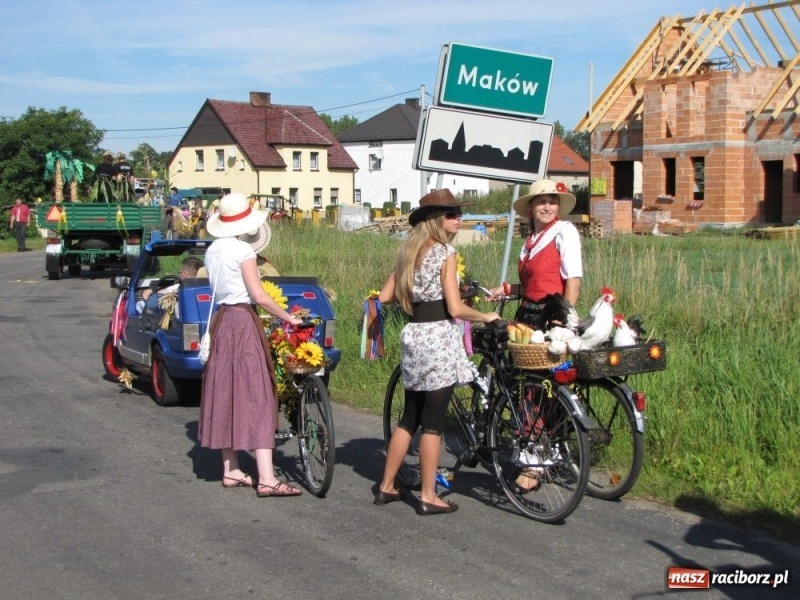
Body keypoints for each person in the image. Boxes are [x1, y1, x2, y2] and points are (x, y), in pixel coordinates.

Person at [374, 189, 501, 515]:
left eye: (458, 211)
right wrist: (486, 315)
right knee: (433, 422)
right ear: (435, 220)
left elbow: (385, 296)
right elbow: (456, 308)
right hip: (438, 339)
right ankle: (429, 495)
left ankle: (387, 485)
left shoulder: (408, 253)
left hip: (414, 335)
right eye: (451, 213)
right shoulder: (446, 253)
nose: (457, 217)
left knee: (410, 415)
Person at [199, 193, 304, 497]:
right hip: (243, 322)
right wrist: (288, 318)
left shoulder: (213, 251)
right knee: (258, 394)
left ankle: (231, 469)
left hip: (222, 323)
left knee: (227, 390)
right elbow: (258, 295)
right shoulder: (243, 250)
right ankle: (268, 478)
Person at [487, 179, 583, 324]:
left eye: (552, 202)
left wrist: (563, 319)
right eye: (541, 202)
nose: (547, 207)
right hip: (526, 316)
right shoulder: (531, 241)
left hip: (551, 318)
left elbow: (573, 280)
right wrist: (506, 289)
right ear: (530, 208)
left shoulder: (564, 231)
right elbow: (533, 289)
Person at [136, 256, 204, 314]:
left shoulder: (176, 289)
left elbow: (152, 302)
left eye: (179, 273)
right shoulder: (211, 290)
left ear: (184, 275)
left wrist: (147, 294)